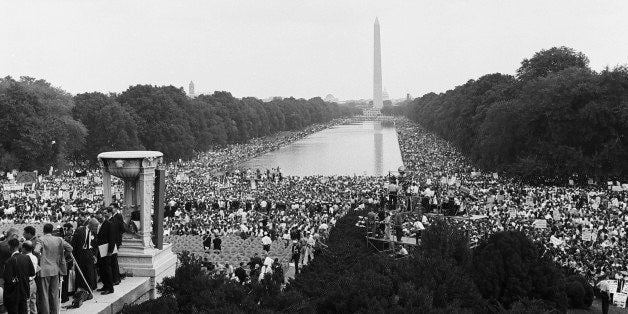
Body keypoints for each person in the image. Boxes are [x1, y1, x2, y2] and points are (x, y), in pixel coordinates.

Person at [36, 223, 73, 314]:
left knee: (44, 294)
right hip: (55, 269)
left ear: (43, 230)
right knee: (54, 294)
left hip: (44, 270)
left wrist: (41, 257)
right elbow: (70, 248)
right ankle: (55, 312)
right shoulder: (59, 239)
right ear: (52, 230)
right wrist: (63, 256)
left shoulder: (41, 239)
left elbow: (36, 251)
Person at [3, 238, 35, 314]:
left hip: (12, 294)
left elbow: (7, 279)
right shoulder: (26, 258)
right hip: (24, 291)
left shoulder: (9, 261)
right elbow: (32, 273)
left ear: (10, 247)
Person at [71, 219, 98, 292]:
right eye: (95, 226)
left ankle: (89, 289)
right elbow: (74, 243)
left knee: (89, 271)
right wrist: (73, 256)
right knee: (80, 271)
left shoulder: (94, 232)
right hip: (81, 253)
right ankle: (80, 289)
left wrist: (94, 255)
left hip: (89, 253)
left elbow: (95, 244)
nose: (96, 228)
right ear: (90, 224)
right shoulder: (80, 230)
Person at [96, 209, 116, 295]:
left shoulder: (109, 224)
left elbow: (112, 238)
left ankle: (110, 287)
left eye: (100, 218)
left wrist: (110, 251)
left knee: (107, 269)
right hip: (100, 250)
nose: (99, 220)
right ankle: (105, 285)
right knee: (102, 269)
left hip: (106, 250)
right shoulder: (99, 225)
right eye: (98, 219)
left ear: (103, 216)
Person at [22, 241, 39, 314]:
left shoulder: (24, 258)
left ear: (24, 249)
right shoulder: (34, 257)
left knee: (27, 305)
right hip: (33, 282)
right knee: (33, 302)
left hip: (27, 283)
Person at [110, 204, 125, 286]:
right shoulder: (112, 217)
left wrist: (117, 238)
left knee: (114, 260)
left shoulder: (118, 216)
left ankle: (116, 278)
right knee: (113, 260)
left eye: (112, 208)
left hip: (116, 241)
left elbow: (122, 228)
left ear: (115, 209)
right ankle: (115, 276)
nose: (111, 209)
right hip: (113, 241)